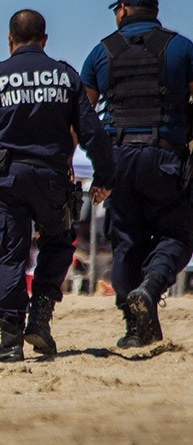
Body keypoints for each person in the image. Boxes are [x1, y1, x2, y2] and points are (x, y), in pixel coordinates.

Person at [0, 9, 115, 362]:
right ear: (44, 39)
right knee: (58, 242)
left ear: (10, 39)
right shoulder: (66, 77)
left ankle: (9, 342)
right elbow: (92, 131)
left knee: (9, 257)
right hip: (52, 179)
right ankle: (40, 317)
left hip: (8, 180)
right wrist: (105, 176)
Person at [81, 0, 193, 348]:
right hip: (165, 157)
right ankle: (151, 286)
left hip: (118, 159)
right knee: (177, 235)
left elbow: (83, 115)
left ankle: (135, 328)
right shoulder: (181, 47)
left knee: (126, 241)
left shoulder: (101, 51)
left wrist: (100, 164)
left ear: (125, 8)